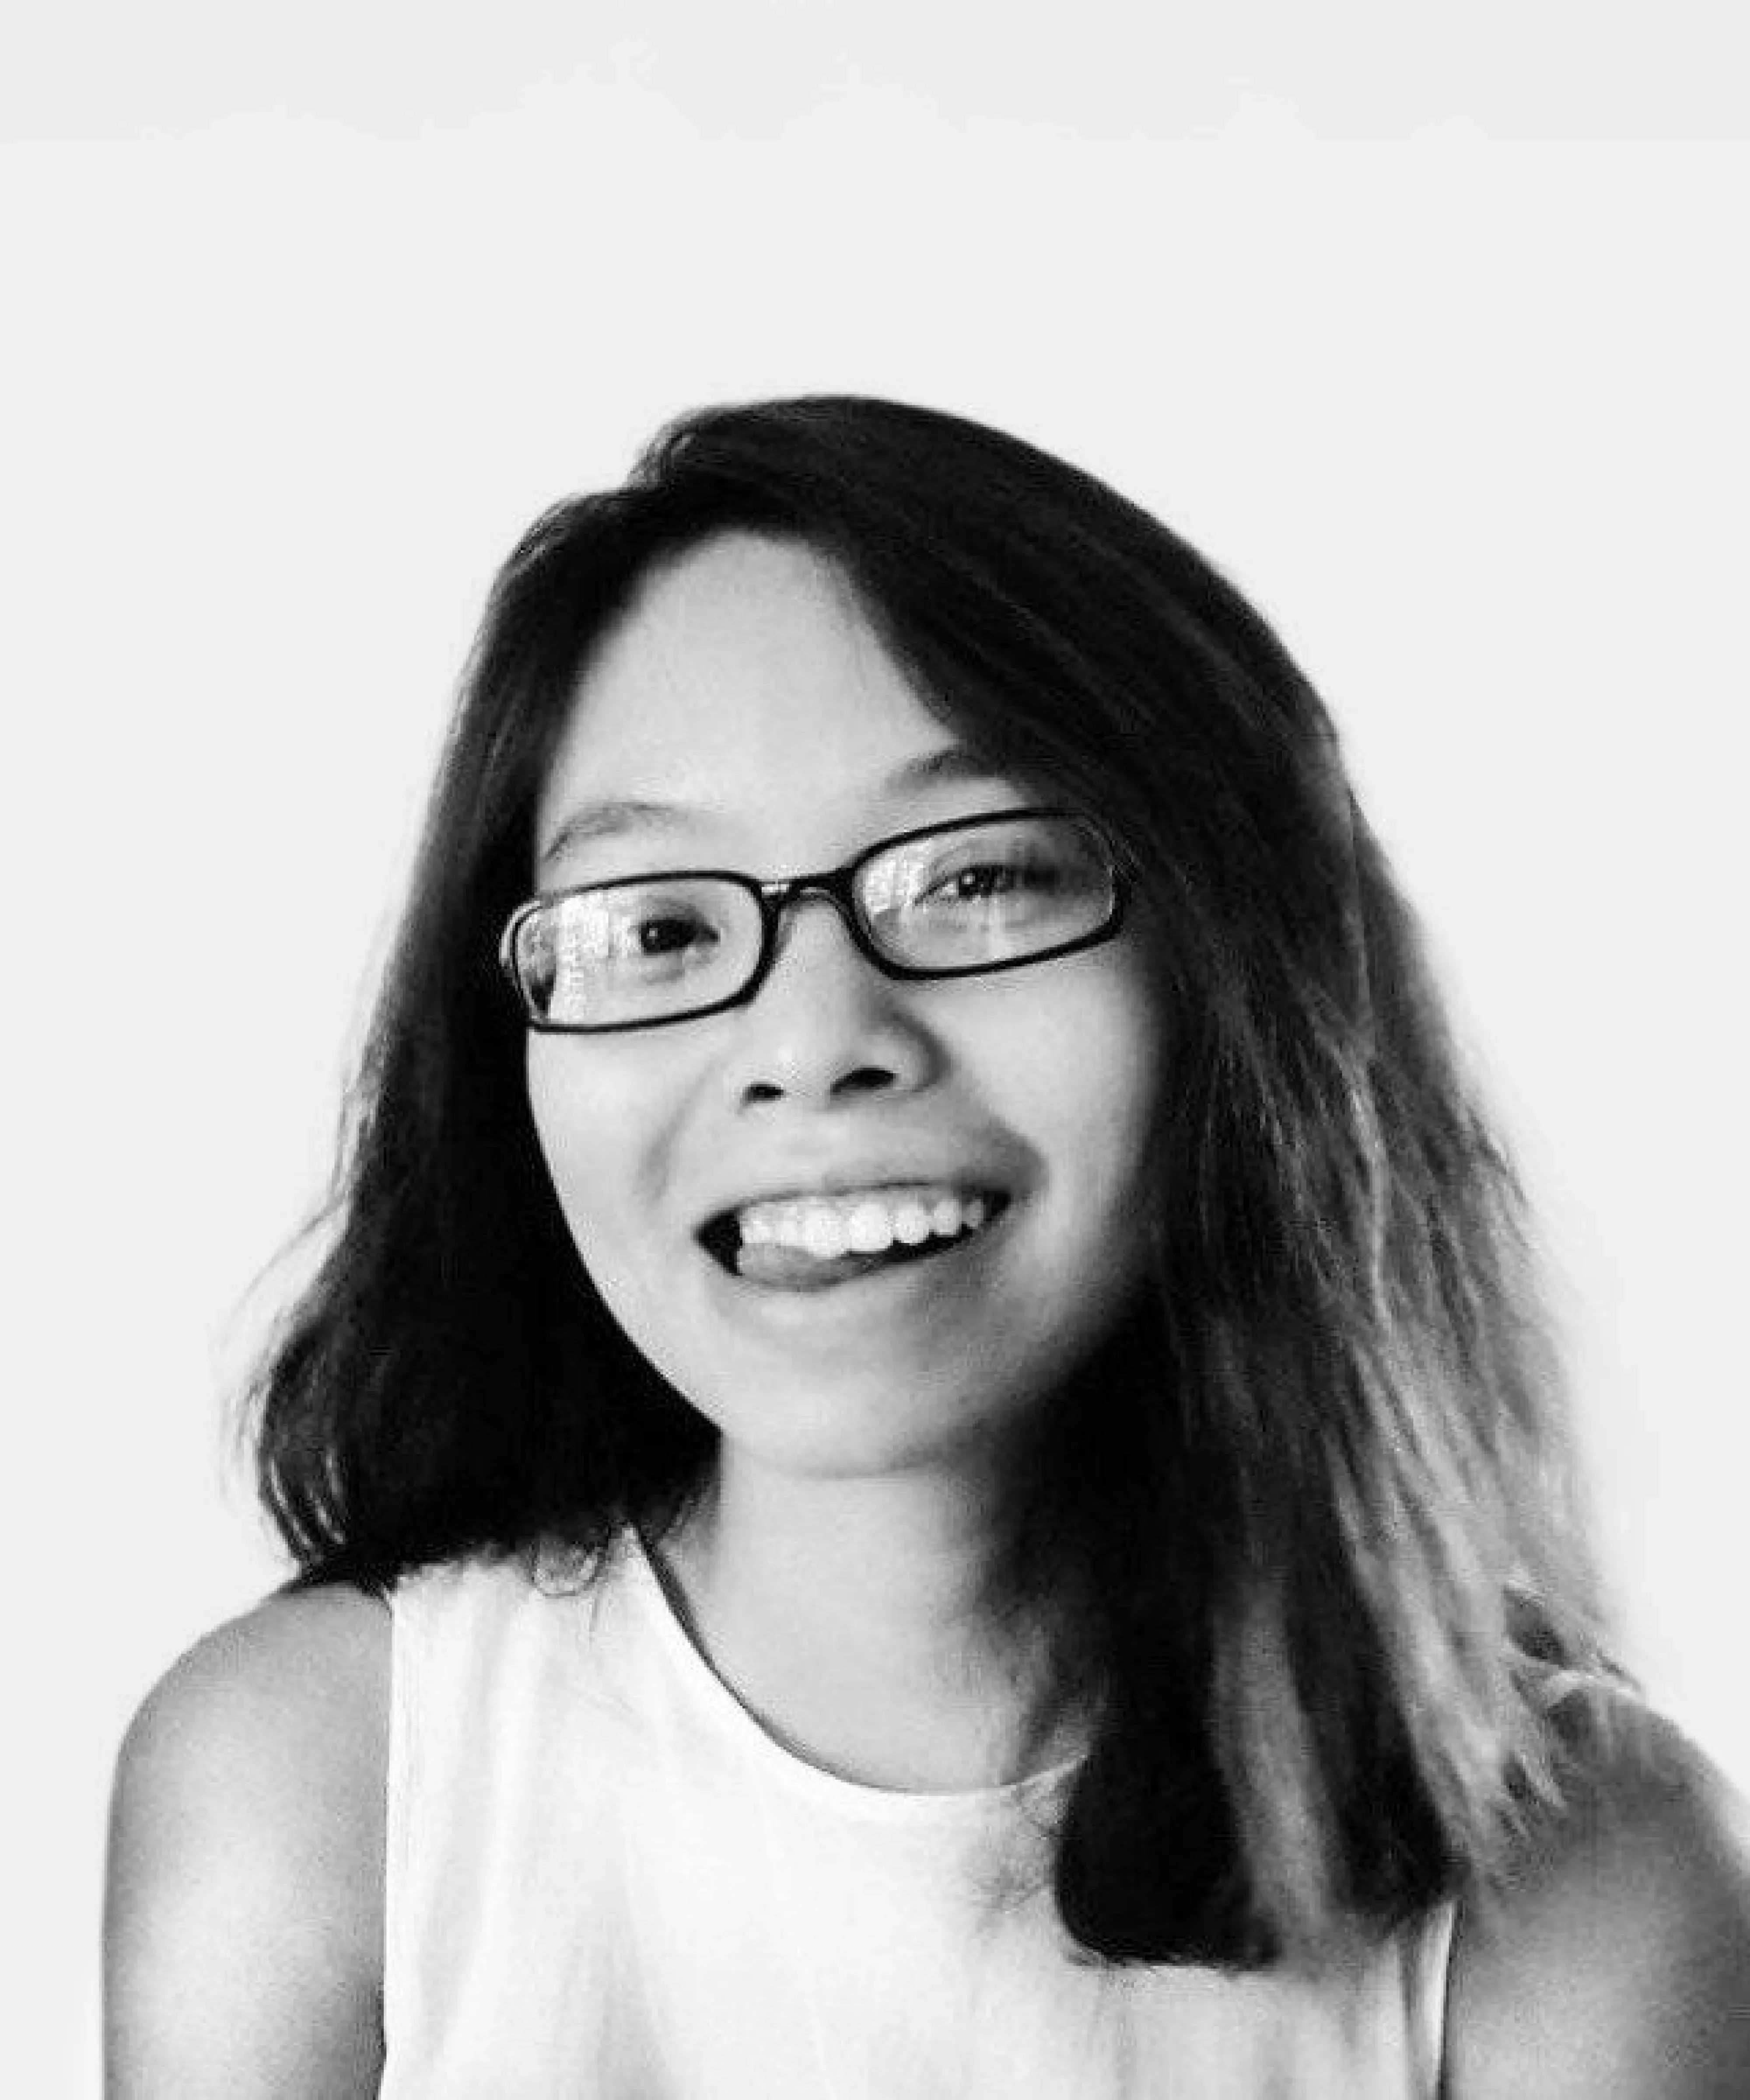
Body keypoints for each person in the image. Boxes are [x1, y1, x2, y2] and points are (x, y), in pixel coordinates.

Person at [103, 397, 1750, 2096]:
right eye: (659, 922)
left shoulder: (1584, 1877)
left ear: (1237, 965)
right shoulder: (323, 1785)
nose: (813, 1039)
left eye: (976, 881)